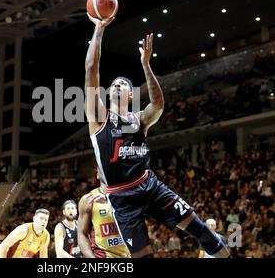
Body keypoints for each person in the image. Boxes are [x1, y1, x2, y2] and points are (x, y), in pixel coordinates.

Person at [84, 14, 231, 258]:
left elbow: (158, 105)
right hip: (122, 198)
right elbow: (91, 69)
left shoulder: (139, 119)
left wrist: (146, 65)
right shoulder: (99, 118)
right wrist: (99, 29)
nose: (117, 86)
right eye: (114, 84)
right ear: (109, 92)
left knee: (203, 231)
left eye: (123, 84)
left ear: (130, 95)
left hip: (149, 186)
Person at [77, 173, 131, 258]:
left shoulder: (129, 196)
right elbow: (81, 234)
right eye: (102, 168)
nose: (106, 168)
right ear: (97, 174)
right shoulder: (88, 200)